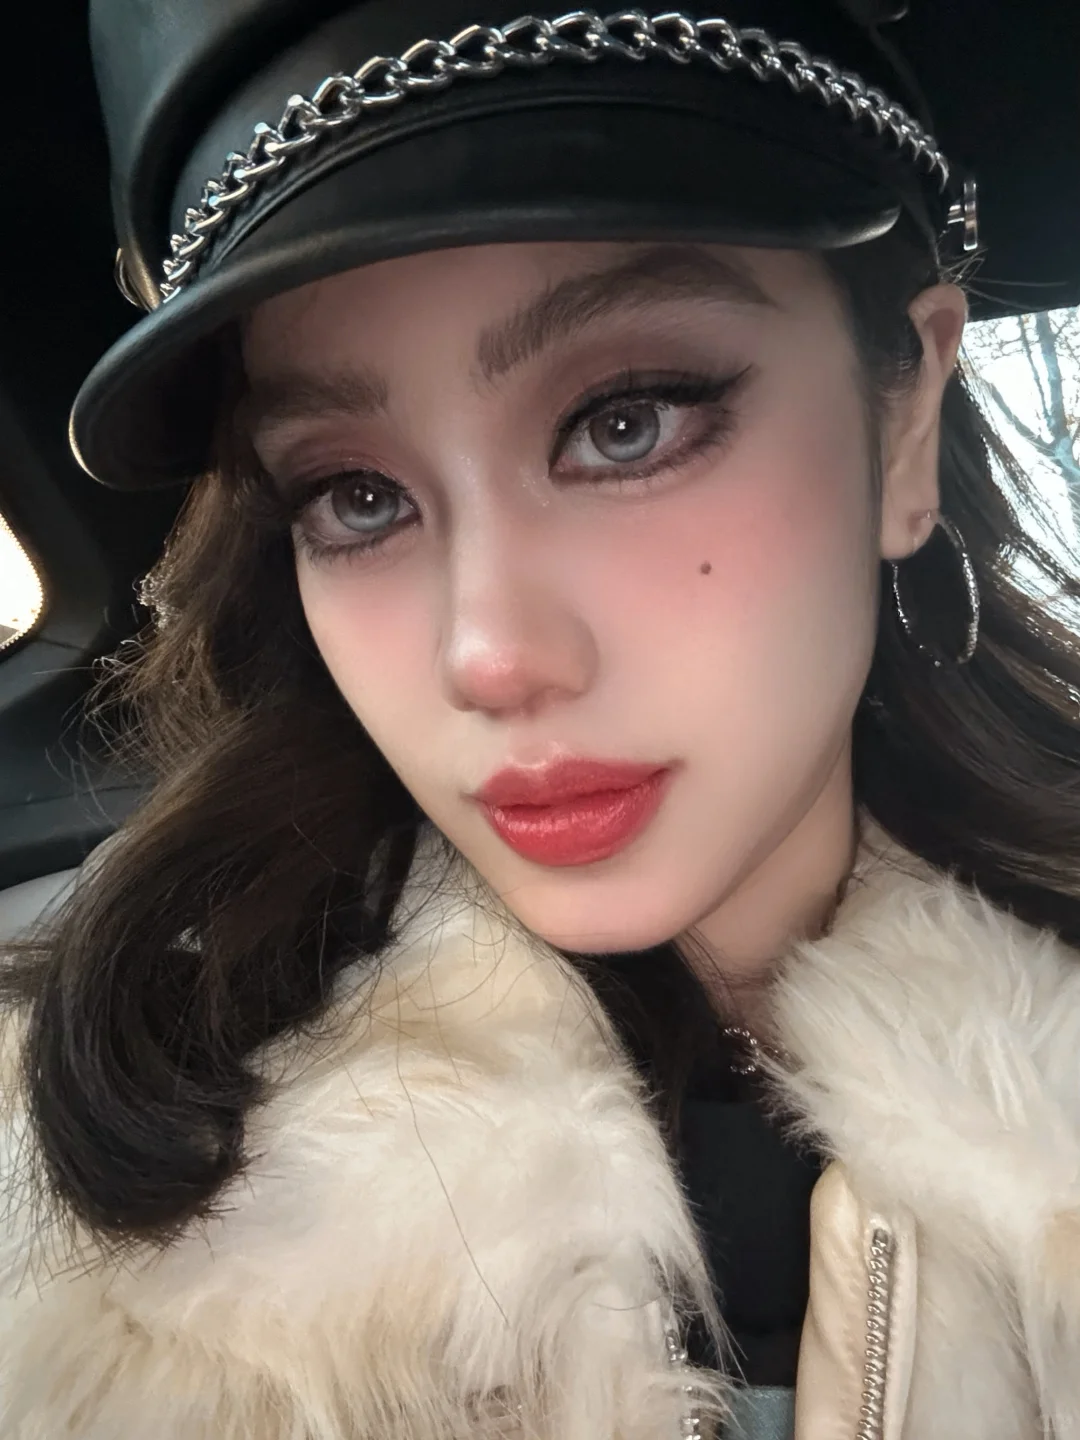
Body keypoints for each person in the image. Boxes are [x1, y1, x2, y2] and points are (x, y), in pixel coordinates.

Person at [2, 1, 1079, 1437]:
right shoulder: (108, 1192)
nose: (490, 657)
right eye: (357, 496)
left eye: (628, 421)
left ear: (904, 422)